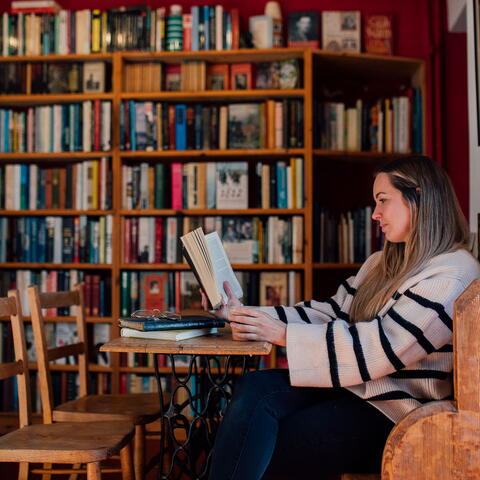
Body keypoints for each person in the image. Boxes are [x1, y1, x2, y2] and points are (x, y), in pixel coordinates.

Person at [201, 155, 480, 479]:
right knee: (254, 388)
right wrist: (243, 315)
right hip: (358, 386)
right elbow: (332, 312)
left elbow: (382, 349)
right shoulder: (383, 262)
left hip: (397, 411)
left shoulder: (452, 275)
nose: (375, 214)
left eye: (382, 201)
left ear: (417, 198)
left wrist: (282, 335)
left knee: (272, 444)